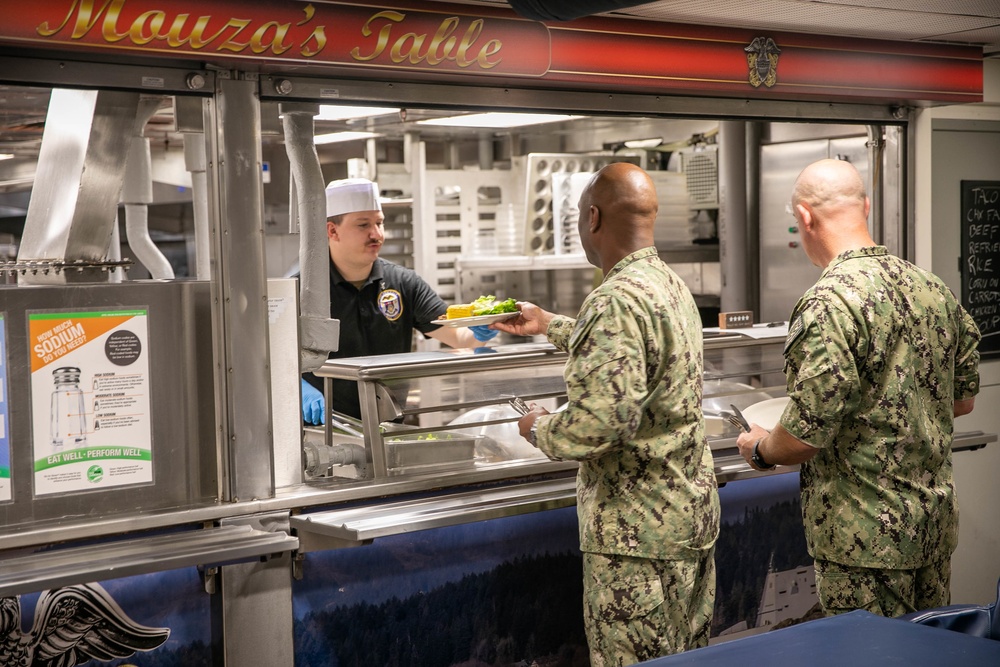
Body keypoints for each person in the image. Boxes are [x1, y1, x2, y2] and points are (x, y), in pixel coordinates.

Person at [492, 163, 720, 665]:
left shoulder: (613, 299)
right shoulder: (670, 287)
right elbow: (634, 352)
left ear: (592, 217)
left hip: (635, 541)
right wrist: (550, 324)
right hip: (688, 521)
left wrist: (538, 427)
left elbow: (600, 424)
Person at [735, 158, 981, 618]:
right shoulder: (933, 288)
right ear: (865, 206)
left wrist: (761, 449)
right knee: (928, 653)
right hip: (931, 527)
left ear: (805, 217)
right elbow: (961, 401)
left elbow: (805, 437)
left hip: (863, 540)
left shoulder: (828, 302)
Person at [301, 178, 496, 423]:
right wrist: (297, 387)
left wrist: (482, 329)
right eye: (363, 225)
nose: (377, 234)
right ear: (332, 230)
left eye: (379, 223)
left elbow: (458, 336)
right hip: (323, 429)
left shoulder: (404, 283)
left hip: (387, 426)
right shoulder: (303, 290)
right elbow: (270, 360)